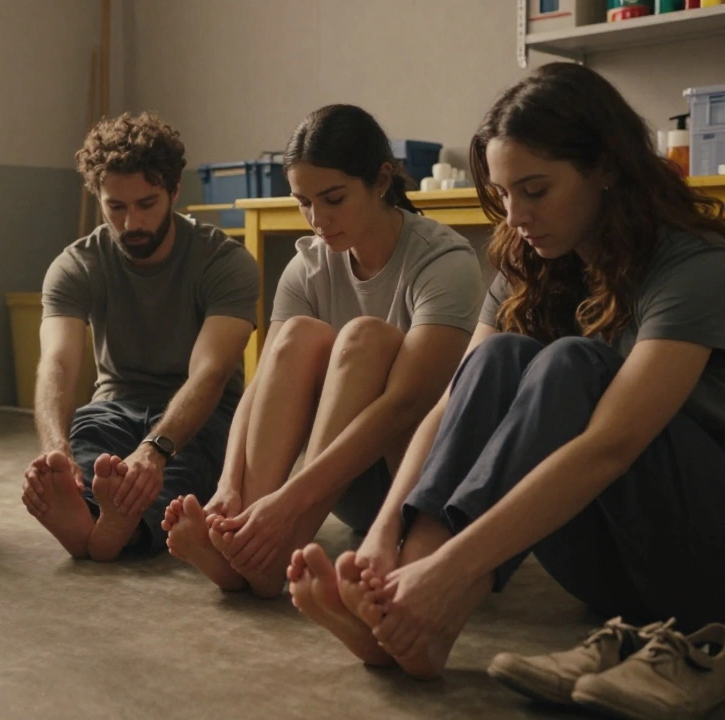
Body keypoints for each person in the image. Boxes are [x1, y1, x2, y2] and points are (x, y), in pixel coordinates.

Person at [287, 62, 725, 681]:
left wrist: (455, 569)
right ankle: (406, 607)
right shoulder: (531, 263)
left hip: (704, 563)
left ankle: (430, 606)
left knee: (572, 362)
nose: (514, 214)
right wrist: (386, 532)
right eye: (504, 193)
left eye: (535, 190)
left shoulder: (693, 264)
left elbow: (611, 447)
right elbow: (452, 405)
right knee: (496, 357)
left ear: (604, 168)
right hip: (610, 574)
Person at [161, 105, 484, 598]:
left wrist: (291, 499)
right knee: (295, 337)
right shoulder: (308, 266)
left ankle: (270, 552)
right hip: (339, 484)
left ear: (380, 181)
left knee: (365, 337)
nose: (318, 220)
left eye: (333, 199)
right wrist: (228, 485)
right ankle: (247, 533)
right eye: (303, 202)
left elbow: (408, 405)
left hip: (412, 481)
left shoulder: (444, 260)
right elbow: (260, 385)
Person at [21, 112, 259, 562]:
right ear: (98, 198)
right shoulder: (75, 266)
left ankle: (105, 532)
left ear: (173, 192)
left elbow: (209, 374)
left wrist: (155, 449)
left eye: (147, 204)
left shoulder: (225, 264)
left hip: (198, 420)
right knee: (89, 440)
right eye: (116, 207)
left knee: (183, 473)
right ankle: (101, 521)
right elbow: (57, 364)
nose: (132, 223)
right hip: (114, 408)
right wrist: (56, 452)